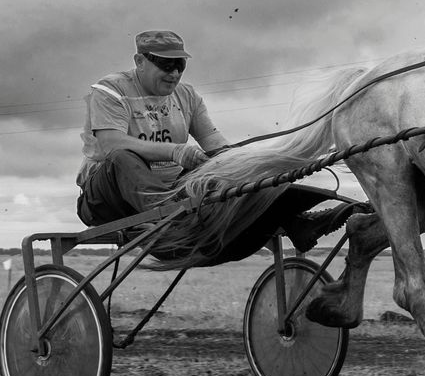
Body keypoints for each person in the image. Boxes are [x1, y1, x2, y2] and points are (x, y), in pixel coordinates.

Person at [76, 30, 346, 258]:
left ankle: (295, 222)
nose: (174, 73)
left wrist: (249, 163)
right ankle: (171, 223)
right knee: (122, 158)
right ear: (140, 61)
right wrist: (176, 151)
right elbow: (110, 144)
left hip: (168, 192)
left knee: (223, 167)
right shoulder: (111, 90)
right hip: (106, 198)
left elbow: (214, 144)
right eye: (166, 65)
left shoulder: (187, 96)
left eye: (180, 65)